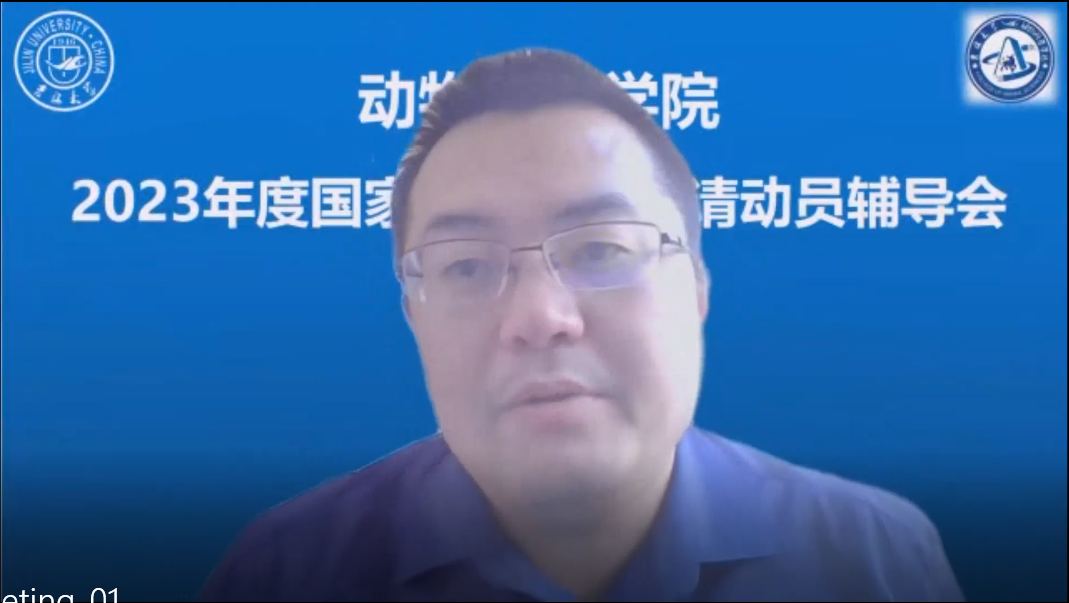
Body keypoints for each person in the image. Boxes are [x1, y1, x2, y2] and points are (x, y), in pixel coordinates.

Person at [196, 48, 965, 602]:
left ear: (698, 289)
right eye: (466, 266)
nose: (540, 318)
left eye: (601, 250)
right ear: (414, 318)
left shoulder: (872, 559)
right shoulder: (283, 572)